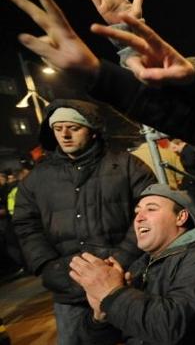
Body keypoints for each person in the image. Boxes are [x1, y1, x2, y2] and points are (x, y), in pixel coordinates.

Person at [11, 100, 156, 345]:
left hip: (127, 281)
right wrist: (48, 266)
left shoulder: (127, 166)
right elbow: (26, 225)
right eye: (58, 129)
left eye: (73, 128)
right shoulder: (37, 178)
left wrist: (122, 258)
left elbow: (150, 213)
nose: (65, 135)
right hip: (70, 289)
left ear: (91, 130)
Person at [69, 184, 195, 344]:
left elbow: (173, 327)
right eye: (137, 212)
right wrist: (102, 315)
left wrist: (113, 293)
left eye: (151, 209)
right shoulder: (139, 266)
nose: (139, 218)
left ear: (180, 217)